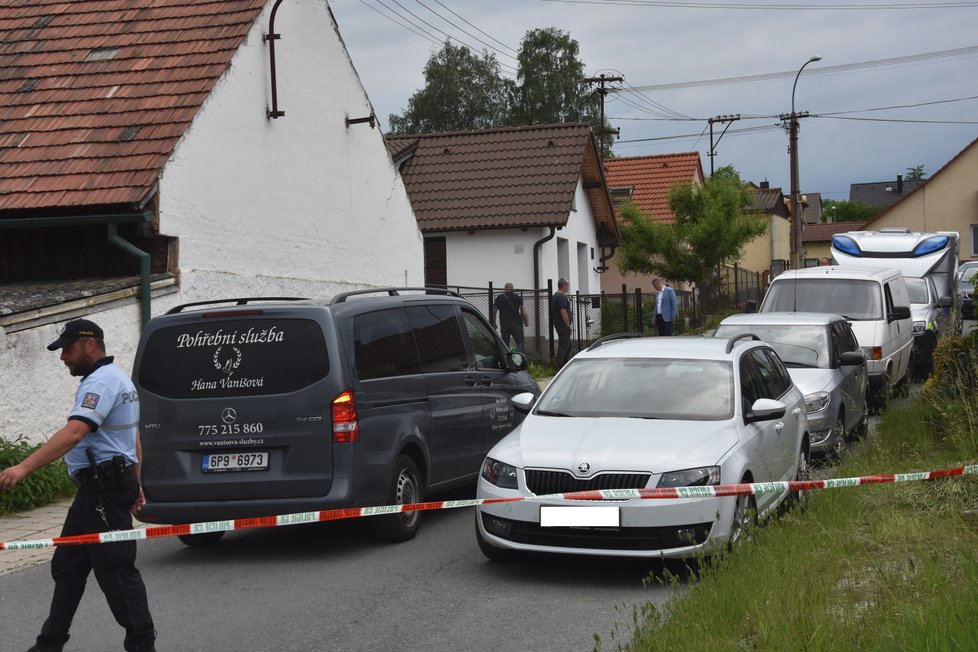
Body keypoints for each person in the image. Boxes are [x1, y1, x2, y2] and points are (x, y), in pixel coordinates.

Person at [0, 319, 156, 652]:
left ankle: (143, 646)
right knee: (68, 565)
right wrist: (136, 482)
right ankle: (49, 644)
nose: (63, 358)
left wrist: (24, 467)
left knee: (115, 570)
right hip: (100, 489)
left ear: (90, 345)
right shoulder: (117, 379)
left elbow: (74, 433)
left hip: (104, 490)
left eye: (67, 349)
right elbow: (133, 437)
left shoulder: (99, 383)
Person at [491, 282, 529, 352]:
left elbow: (494, 311)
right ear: (512, 289)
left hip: (504, 324)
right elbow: (523, 311)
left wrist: (494, 323)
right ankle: (519, 358)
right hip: (516, 324)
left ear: (504, 289)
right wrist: (526, 322)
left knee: (505, 344)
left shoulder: (499, 298)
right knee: (520, 342)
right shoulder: (517, 297)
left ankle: (506, 359)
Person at [551, 278, 573, 368]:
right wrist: (567, 324)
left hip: (559, 324)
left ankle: (564, 365)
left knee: (568, 345)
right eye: (567, 285)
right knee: (564, 346)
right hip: (563, 325)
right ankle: (560, 367)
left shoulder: (555, 296)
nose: (568, 287)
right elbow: (563, 311)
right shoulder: (561, 296)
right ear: (564, 285)